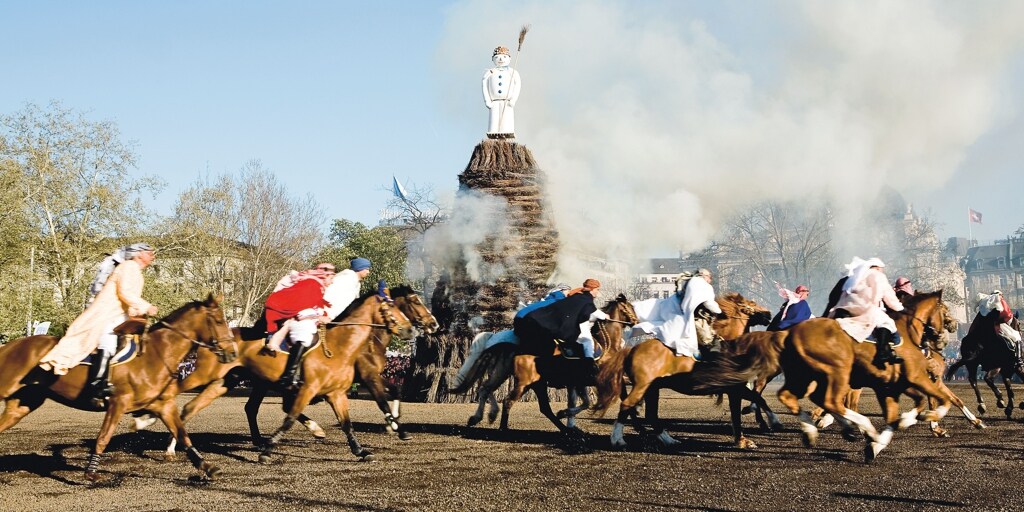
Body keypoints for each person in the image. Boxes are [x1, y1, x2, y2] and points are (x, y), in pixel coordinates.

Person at [39, 243, 159, 407]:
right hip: (107, 312)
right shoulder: (129, 266)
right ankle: (97, 387)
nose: (153, 256)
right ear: (139, 255)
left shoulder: (134, 269)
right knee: (108, 341)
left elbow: (128, 297)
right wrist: (145, 306)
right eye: (149, 253)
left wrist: (138, 312)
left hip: (118, 313)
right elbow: (125, 292)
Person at [829, 257, 905, 367]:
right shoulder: (877, 275)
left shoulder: (857, 276)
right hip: (864, 306)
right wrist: (900, 308)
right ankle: (882, 352)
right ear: (878, 268)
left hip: (848, 306)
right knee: (887, 322)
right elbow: (888, 295)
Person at [632, 269, 722, 359]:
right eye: (710, 277)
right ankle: (710, 356)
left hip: (677, 313)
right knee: (708, 337)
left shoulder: (688, 282)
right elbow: (709, 303)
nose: (710, 280)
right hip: (690, 317)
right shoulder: (703, 285)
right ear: (704, 276)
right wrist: (720, 312)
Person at [514, 279, 603, 359]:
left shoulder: (551, 299)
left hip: (523, 318)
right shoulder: (560, 301)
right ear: (562, 290)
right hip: (527, 321)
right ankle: (587, 363)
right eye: (567, 291)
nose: (568, 293)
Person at [482, 46, 522, 136]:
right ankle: (493, 132)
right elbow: (484, 85)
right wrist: (487, 100)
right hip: (494, 102)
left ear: (509, 59)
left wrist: (513, 99)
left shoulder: (513, 72)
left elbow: (517, 85)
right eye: (497, 57)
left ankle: (506, 131)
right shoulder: (489, 72)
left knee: (506, 119)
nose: (500, 59)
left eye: (504, 57)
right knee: (494, 120)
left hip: (507, 101)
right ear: (493, 59)